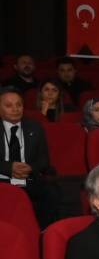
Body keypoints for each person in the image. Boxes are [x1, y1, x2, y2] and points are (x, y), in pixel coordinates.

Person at [0, 88, 59, 225]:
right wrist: (9, 167)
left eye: (19, 105)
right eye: (9, 105)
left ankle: (44, 231)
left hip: (29, 177)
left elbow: (44, 160)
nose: (15, 109)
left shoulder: (35, 127)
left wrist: (30, 168)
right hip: (2, 179)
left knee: (52, 192)